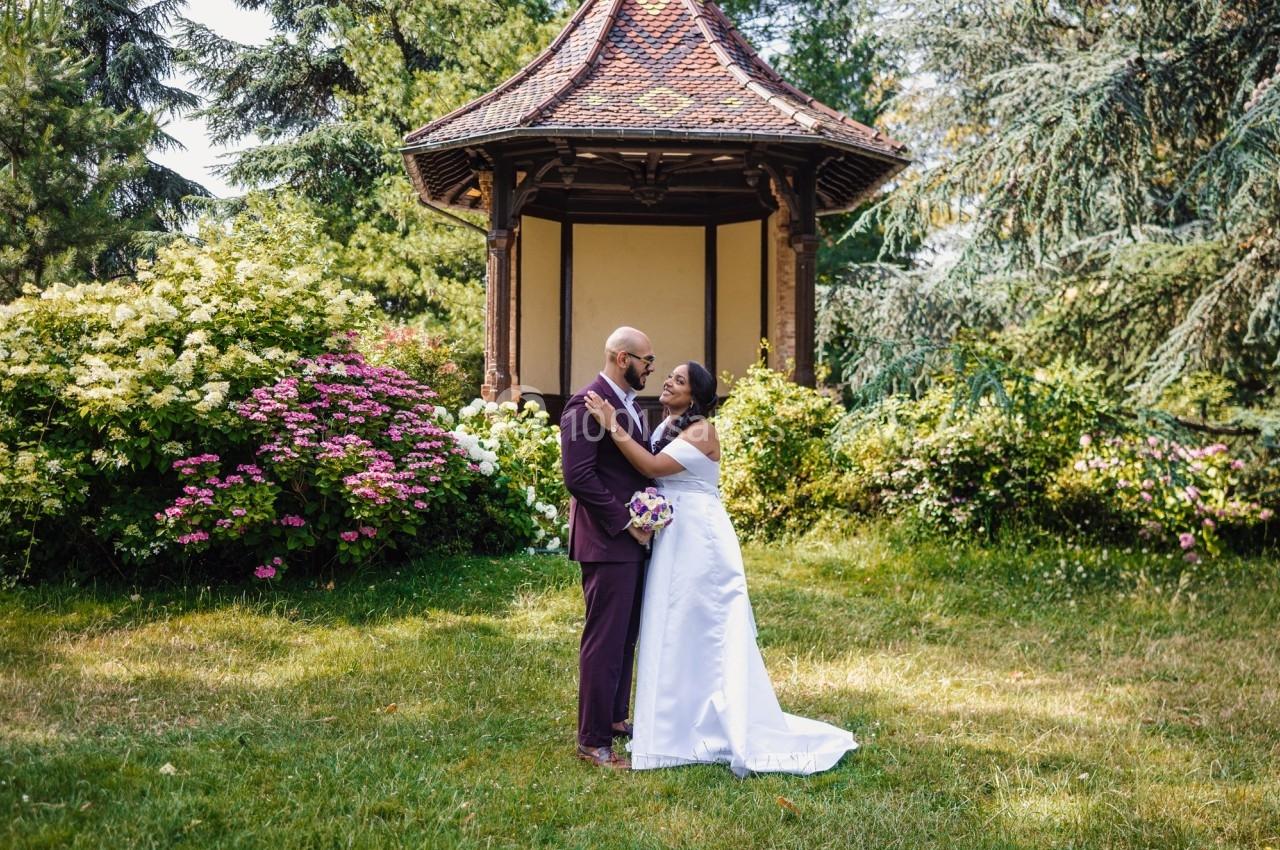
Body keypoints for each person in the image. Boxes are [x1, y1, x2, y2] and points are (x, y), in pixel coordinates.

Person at [583, 362, 858, 777]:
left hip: (700, 538)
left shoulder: (702, 431)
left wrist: (610, 424)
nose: (668, 382)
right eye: (669, 376)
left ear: (694, 396)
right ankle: (673, 722)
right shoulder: (666, 426)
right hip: (673, 536)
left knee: (704, 623)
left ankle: (714, 718)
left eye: (678, 380)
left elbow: (652, 469)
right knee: (672, 623)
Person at [560, 326, 657, 769]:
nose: (650, 368)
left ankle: (615, 719)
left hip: (633, 542)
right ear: (623, 358)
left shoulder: (627, 407)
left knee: (625, 639)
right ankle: (592, 741)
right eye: (646, 361)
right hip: (608, 542)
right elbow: (580, 478)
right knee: (604, 640)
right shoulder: (584, 406)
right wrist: (626, 524)